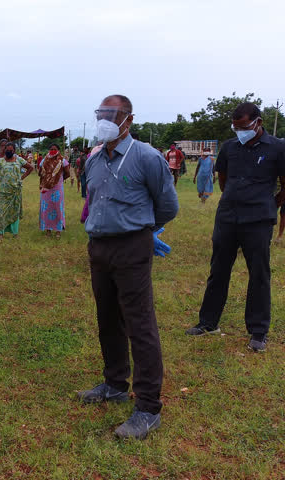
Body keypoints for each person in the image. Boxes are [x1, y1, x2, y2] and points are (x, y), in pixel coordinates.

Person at [78, 94, 179, 440]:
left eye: (113, 114)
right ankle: (114, 383)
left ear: (128, 120)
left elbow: (167, 205)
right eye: (101, 114)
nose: (105, 120)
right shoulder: (93, 159)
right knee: (107, 317)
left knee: (140, 324)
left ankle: (148, 408)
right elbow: (91, 201)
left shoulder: (147, 158)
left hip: (132, 247)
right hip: (99, 248)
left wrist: (141, 229)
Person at [186, 102, 285, 352]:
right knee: (218, 269)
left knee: (259, 274)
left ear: (258, 123)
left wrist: (269, 205)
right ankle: (208, 322)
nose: (240, 132)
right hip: (228, 216)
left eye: (244, 127)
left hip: (259, 220)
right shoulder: (230, 148)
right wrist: (233, 199)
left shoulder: (277, 148)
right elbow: (222, 179)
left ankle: (258, 332)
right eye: (236, 128)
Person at [0, 142, 32, 238]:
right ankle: (0, 233)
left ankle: (15, 233)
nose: (9, 152)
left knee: (14, 211)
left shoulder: (19, 160)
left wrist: (21, 178)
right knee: (2, 212)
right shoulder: (0, 161)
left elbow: (30, 168)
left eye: (11, 150)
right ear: (4, 150)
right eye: (7, 150)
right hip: (3, 191)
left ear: (14, 151)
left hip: (15, 191)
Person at [38, 143, 70, 237]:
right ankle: (48, 230)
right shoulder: (44, 160)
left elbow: (67, 173)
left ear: (58, 150)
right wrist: (48, 180)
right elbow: (40, 172)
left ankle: (58, 231)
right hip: (46, 189)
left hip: (57, 188)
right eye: (51, 149)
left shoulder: (62, 161)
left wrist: (58, 180)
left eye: (55, 149)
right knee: (46, 209)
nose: (53, 150)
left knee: (57, 208)